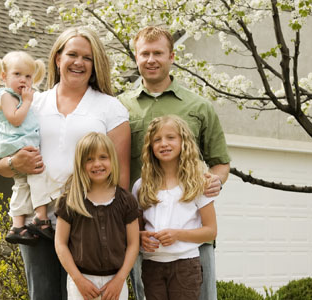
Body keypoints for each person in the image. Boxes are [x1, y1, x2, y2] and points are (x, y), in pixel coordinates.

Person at [0, 27, 131, 299]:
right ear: (58, 59)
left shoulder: (110, 108)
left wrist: (116, 227)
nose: (79, 62)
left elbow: (121, 176)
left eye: (87, 58)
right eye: (72, 54)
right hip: (37, 216)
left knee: (84, 293)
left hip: (89, 216)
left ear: (95, 64)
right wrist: (15, 161)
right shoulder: (31, 105)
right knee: (42, 293)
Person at [119, 25, 231, 300]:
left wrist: (214, 180)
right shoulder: (120, 107)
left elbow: (220, 163)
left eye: (158, 53)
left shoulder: (199, 107)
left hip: (192, 241)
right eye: (144, 53)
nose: (151, 59)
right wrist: (133, 232)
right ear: (136, 57)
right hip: (144, 238)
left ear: (172, 56)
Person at [134, 115, 217, 300]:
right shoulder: (141, 186)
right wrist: (141, 237)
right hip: (151, 265)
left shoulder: (198, 183)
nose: (164, 143)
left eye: (170, 137)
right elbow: (135, 230)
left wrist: (177, 235)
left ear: (183, 142)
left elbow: (211, 231)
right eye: (157, 139)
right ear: (150, 146)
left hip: (185, 266)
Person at [54, 132, 140, 300]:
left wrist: (120, 279)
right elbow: (60, 243)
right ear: (80, 164)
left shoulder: (126, 200)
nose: (97, 164)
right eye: (89, 159)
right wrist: (78, 280)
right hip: (81, 282)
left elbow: (133, 243)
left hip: (116, 282)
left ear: (112, 160)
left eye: (103, 157)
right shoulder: (70, 200)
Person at [0, 51, 54, 244]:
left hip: (19, 144)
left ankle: (18, 226)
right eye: (17, 74)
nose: (23, 80)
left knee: (23, 184)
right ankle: (41, 218)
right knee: (37, 174)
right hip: (16, 145)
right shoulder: (5, 95)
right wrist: (27, 101)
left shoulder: (22, 96)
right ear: (4, 76)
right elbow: (16, 119)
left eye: (28, 76)